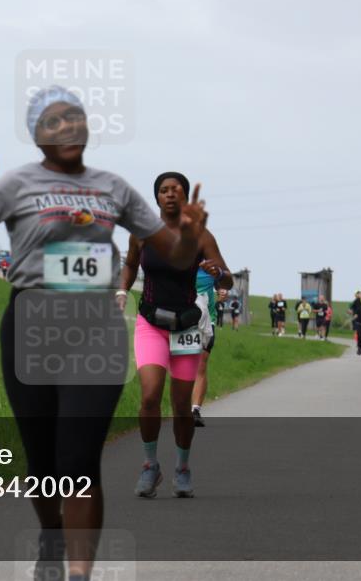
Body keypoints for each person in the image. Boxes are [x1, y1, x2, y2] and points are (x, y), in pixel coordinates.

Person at [0, 85, 207, 581]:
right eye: (54, 122)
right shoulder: (15, 186)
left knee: (79, 459)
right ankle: (51, 538)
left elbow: (179, 255)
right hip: (30, 325)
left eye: (75, 120)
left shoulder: (114, 188)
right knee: (42, 462)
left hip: (94, 328)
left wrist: (187, 235)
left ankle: (79, 574)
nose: (67, 129)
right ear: (37, 134)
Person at [120, 172, 232, 500]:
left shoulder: (199, 236)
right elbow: (129, 265)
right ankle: (150, 465)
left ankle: (182, 468)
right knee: (150, 395)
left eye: (177, 190)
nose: (170, 195)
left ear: (184, 198)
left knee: (182, 405)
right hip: (151, 322)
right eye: (164, 190)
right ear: (156, 198)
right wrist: (122, 290)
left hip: (186, 327)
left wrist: (219, 274)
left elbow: (227, 282)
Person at [192, 283, 226, 427]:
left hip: (207, 320)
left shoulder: (209, 262)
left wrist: (222, 290)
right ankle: (181, 407)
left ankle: (195, 411)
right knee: (183, 363)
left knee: (201, 364)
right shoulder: (178, 262)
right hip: (183, 315)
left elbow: (223, 281)